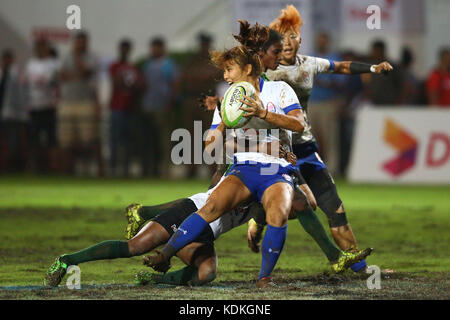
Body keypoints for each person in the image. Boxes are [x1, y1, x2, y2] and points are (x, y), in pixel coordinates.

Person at [261, 5, 392, 273]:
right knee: (298, 204)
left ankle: (360, 267)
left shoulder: (309, 64)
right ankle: (256, 219)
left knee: (334, 207)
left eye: (293, 36)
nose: (287, 42)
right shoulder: (264, 71)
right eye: (282, 37)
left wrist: (373, 68)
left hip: (306, 148)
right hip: (275, 151)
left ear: (300, 38)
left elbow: (341, 66)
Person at [57, 31, 104, 176]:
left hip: (86, 102)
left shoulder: (91, 57)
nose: (81, 44)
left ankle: (101, 172)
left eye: (83, 41)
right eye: (78, 41)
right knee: (66, 141)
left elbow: (85, 72)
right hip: (67, 102)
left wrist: (77, 58)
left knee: (91, 140)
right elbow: (62, 75)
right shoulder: (65, 57)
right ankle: (66, 172)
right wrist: (75, 75)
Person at [138, 37, 180, 177]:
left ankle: (165, 170)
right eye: (153, 47)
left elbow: (175, 84)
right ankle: (150, 170)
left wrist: (170, 103)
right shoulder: (148, 64)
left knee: (164, 140)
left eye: (157, 47)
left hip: (163, 107)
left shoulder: (168, 64)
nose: (154, 50)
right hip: (148, 106)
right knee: (149, 140)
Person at [23, 38, 59, 173]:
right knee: (33, 140)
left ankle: (53, 168)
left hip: (49, 106)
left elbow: (52, 82)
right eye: (37, 47)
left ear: (47, 48)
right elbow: (26, 83)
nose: (39, 49)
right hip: (34, 106)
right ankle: (34, 167)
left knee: (51, 140)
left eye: (42, 47)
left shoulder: (53, 64)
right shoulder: (30, 64)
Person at [108, 39, 142, 177]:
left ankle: (125, 169)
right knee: (115, 140)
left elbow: (138, 85)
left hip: (129, 108)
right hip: (117, 107)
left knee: (127, 140)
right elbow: (116, 82)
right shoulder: (115, 66)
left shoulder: (133, 67)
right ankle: (113, 169)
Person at [0, 49, 28, 173]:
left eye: (9, 59)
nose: (6, 61)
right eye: (5, 59)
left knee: (13, 142)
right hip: (2, 112)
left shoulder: (16, 75)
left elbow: (21, 95)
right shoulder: (1, 74)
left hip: (12, 114)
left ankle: (13, 167)